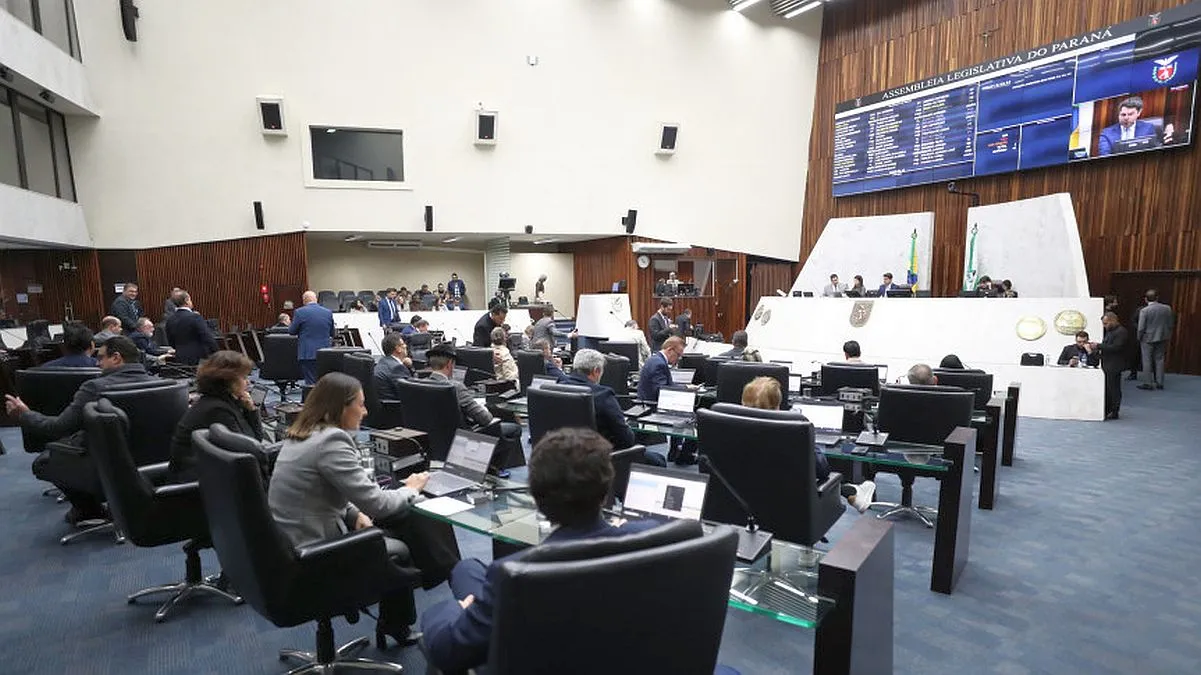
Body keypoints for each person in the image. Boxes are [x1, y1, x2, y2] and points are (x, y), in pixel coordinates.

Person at [421, 428, 660, 672]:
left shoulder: (514, 573)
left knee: (450, 600)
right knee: (467, 568)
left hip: (535, 656)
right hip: (615, 652)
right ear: (605, 492)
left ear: (537, 500)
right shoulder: (651, 539)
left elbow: (445, 652)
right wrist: (626, 528)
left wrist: (457, 609)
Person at [269, 372, 432, 646]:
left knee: (395, 522)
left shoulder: (302, 433)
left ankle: (402, 612)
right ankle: (398, 623)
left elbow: (321, 490)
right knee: (400, 546)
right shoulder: (332, 440)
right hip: (314, 550)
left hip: (289, 541)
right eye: (361, 404)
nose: (366, 411)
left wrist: (354, 513)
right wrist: (412, 488)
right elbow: (379, 505)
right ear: (341, 407)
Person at [5, 336, 156, 523]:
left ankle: (89, 510)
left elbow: (57, 428)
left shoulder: (95, 388)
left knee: (43, 462)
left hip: (109, 468)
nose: (97, 363)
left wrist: (24, 415)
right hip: (153, 467)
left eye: (100, 358)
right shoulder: (165, 384)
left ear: (116, 357)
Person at [741, 377, 875, 512]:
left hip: (741, 508)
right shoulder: (793, 431)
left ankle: (853, 492)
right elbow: (823, 470)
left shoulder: (730, 429)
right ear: (777, 406)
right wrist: (810, 440)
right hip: (789, 508)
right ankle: (853, 492)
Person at [168, 350, 264, 481]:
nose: (248, 383)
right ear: (227, 381)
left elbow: (255, 442)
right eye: (244, 377)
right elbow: (252, 448)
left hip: (209, 475)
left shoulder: (216, 401)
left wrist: (250, 409)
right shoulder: (217, 410)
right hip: (197, 483)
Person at [559, 349, 665, 466]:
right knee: (659, 460)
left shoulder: (558, 387)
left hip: (564, 452)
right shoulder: (603, 394)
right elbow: (627, 440)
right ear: (596, 371)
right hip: (600, 456)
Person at [426, 343, 523, 452]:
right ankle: (492, 468)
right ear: (449, 364)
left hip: (432, 442)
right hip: (463, 440)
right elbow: (486, 419)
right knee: (514, 429)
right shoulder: (456, 387)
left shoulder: (420, 385)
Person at [1098, 96, 1172, 156]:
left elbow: (1154, 151)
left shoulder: (1148, 128)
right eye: (1123, 115)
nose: (1126, 118)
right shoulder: (1107, 133)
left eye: (1130, 114)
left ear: (1138, 113)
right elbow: (1104, 155)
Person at [290, 290, 336, 385]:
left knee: (311, 382)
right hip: (325, 352)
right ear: (316, 299)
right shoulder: (328, 312)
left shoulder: (299, 312)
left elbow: (291, 331)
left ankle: (313, 399)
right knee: (324, 381)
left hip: (307, 352)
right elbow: (332, 333)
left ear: (304, 300)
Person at [165, 291, 218, 366]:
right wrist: (217, 353)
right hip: (198, 358)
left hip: (180, 357)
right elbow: (207, 338)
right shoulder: (195, 317)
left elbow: (171, 341)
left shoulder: (170, 320)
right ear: (186, 300)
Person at [1137, 289, 1175, 390]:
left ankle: (1148, 383)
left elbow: (1141, 327)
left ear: (1145, 299)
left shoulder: (1144, 311)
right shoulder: (1167, 308)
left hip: (1147, 338)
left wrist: (1139, 337)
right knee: (1160, 359)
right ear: (1157, 298)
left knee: (1147, 360)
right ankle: (1160, 382)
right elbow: (1171, 323)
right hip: (1162, 337)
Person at [1095, 312, 1129, 420]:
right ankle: (1108, 409)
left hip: (1115, 364)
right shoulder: (1112, 331)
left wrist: (1099, 346)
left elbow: (1116, 347)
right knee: (1108, 388)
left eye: (1105, 323)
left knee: (1113, 389)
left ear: (1112, 321)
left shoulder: (1121, 332)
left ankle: (1114, 410)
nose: (1104, 326)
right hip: (1108, 362)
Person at [637, 336, 684, 403]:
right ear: (670, 350)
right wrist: (685, 389)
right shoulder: (659, 364)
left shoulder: (656, 359)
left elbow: (668, 385)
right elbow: (662, 391)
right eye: (678, 355)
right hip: (651, 406)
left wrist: (685, 387)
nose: (678, 359)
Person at [373, 332, 413, 401]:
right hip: (397, 409)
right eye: (403, 344)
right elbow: (410, 393)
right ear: (398, 349)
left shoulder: (382, 362)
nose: (406, 346)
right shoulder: (397, 368)